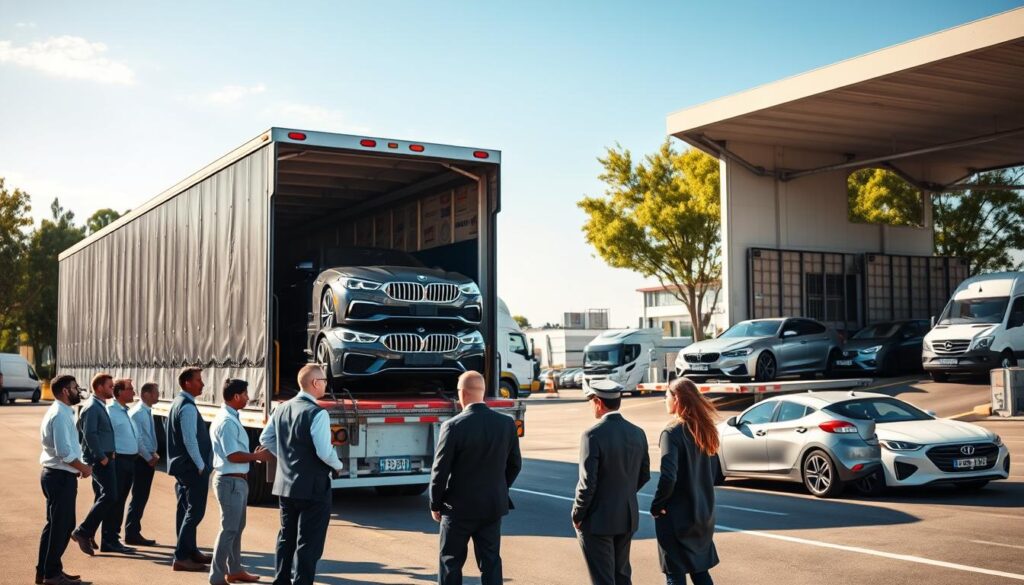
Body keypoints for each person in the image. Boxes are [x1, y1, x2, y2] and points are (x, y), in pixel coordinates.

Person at [429, 370, 522, 585]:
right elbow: (515, 464)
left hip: (457, 508)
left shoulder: (452, 426)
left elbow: (440, 471)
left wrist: (436, 503)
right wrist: (499, 488)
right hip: (492, 506)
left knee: (450, 562)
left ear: (462, 393)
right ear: (482, 393)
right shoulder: (506, 424)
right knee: (491, 562)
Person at [260, 364, 344, 585]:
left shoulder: (281, 408)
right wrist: (338, 465)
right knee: (309, 542)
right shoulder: (318, 413)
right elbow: (324, 451)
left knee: (286, 537)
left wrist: (287, 456)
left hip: (286, 484)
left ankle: (281, 580)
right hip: (313, 487)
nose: (326, 384)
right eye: (324, 380)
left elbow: (265, 439)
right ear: (315, 383)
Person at [571, 379, 651, 585]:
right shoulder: (637, 432)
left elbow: (588, 483)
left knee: (603, 578)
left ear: (598, 402)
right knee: (622, 575)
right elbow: (644, 474)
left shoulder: (592, 435)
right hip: (627, 515)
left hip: (598, 519)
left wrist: (578, 514)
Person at [650, 378, 721, 585]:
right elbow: (713, 471)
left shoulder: (671, 433)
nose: (665, 400)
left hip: (676, 517)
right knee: (700, 571)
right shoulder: (706, 429)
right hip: (703, 513)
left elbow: (668, 476)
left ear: (677, 399)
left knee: (675, 573)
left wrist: (657, 505)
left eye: (666, 396)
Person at [209, 379, 271, 585]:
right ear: (236, 397)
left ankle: (234, 570)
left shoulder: (231, 417)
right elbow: (233, 455)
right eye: (245, 394)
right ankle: (217, 576)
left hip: (236, 481)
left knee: (236, 528)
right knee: (229, 529)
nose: (247, 397)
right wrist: (256, 457)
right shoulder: (226, 421)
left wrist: (252, 455)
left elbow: (236, 453)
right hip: (230, 482)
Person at [36, 375, 92, 585]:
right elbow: (64, 453)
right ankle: (51, 574)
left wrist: (76, 467)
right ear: (66, 391)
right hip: (59, 477)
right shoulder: (59, 414)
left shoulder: (62, 412)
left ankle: (46, 571)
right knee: (62, 526)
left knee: (56, 526)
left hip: (58, 475)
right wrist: (84, 468)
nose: (78, 390)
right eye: (75, 387)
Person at [167, 367, 214, 572]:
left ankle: (189, 550)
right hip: (191, 467)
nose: (202, 384)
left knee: (185, 509)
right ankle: (181, 557)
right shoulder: (186, 407)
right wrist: (201, 465)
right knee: (195, 511)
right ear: (187, 383)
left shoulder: (180, 403)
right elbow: (189, 439)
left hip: (184, 466)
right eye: (198, 380)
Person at [70, 373, 116, 557]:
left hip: (105, 458)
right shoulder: (91, 407)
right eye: (110, 386)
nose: (112, 389)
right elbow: (90, 434)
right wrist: (101, 457)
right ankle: (83, 531)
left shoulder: (99, 405)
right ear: (99, 388)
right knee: (110, 495)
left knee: (102, 496)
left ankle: (87, 533)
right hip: (101, 460)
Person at [101, 378, 139, 554]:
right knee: (114, 502)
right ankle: (109, 540)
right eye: (130, 389)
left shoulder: (125, 411)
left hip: (129, 462)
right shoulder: (110, 411)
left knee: (121, 501)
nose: (133, 392)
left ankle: (113, 538)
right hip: (118, 462)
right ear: (119, 392)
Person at [125, 382, 161, 546]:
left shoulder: (145, 411)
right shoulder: (138, 413)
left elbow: (146, 437)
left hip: (147, 459)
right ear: (146, 394)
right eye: (155, 392)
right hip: (141, 461)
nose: (158, 395)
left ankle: (133, 530)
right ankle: (132, 532)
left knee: (142, 496)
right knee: (139, 496)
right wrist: (148, 457)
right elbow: (137, 439)